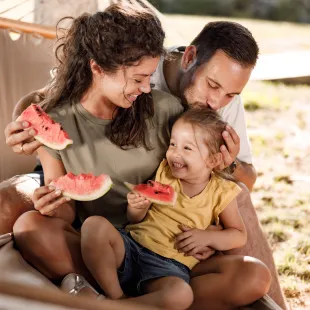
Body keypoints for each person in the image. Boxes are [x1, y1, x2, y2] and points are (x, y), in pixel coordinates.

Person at [2, 16, 287, 309]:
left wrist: (212, 228)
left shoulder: (170, 109)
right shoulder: (68, 114)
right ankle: (137, 300)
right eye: (139, 79)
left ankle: (114, 299)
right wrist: (50, 198)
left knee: (252, 272)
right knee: (30, 226)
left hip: (167, 250)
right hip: (110, 244)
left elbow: (233, 180)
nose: (217, 102)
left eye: (229, 94)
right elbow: (43, 102)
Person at [80, 107, 270, 310]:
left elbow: (239, 234)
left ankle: (122, 304)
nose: (175, 153)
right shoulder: (165, 172)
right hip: (131, 246)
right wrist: (137, 208)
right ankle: (115, 297)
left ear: (213, 160)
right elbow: (135, 220)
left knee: (181, 295)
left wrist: (208, 237)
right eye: (172, 144)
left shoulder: (222, 191)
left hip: (168, 269)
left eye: (187, 148)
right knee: (94, 226)